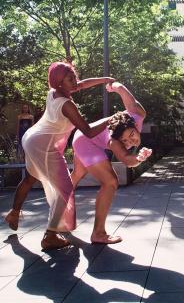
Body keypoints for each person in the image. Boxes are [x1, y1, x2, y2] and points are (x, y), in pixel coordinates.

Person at [4, 62, 114, 250]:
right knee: (65, 188)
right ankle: (50, 236)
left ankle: (14, 213)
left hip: (31, 138)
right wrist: (110, 120)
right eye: (70, 79)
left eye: (74, 77)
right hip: (42, 146)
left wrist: (104, 80)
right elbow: (87, 131)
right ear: (59, 82)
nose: (75, 82)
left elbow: (83, 84)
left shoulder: (55, 91)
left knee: (31, 178)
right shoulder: (67, 105)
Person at [70, 82, 152, 244]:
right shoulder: (114, 140)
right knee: (111, 182)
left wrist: (117, 87)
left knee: (78, 174)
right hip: (86, 142)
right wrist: (139, 158)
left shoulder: (137, 115)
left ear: (134, 125)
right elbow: (127, 161)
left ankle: (59, 203)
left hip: (81, 136)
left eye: (132, 135)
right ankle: (98, 233)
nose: (131, 141)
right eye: (126, 141)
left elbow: (131, 101)